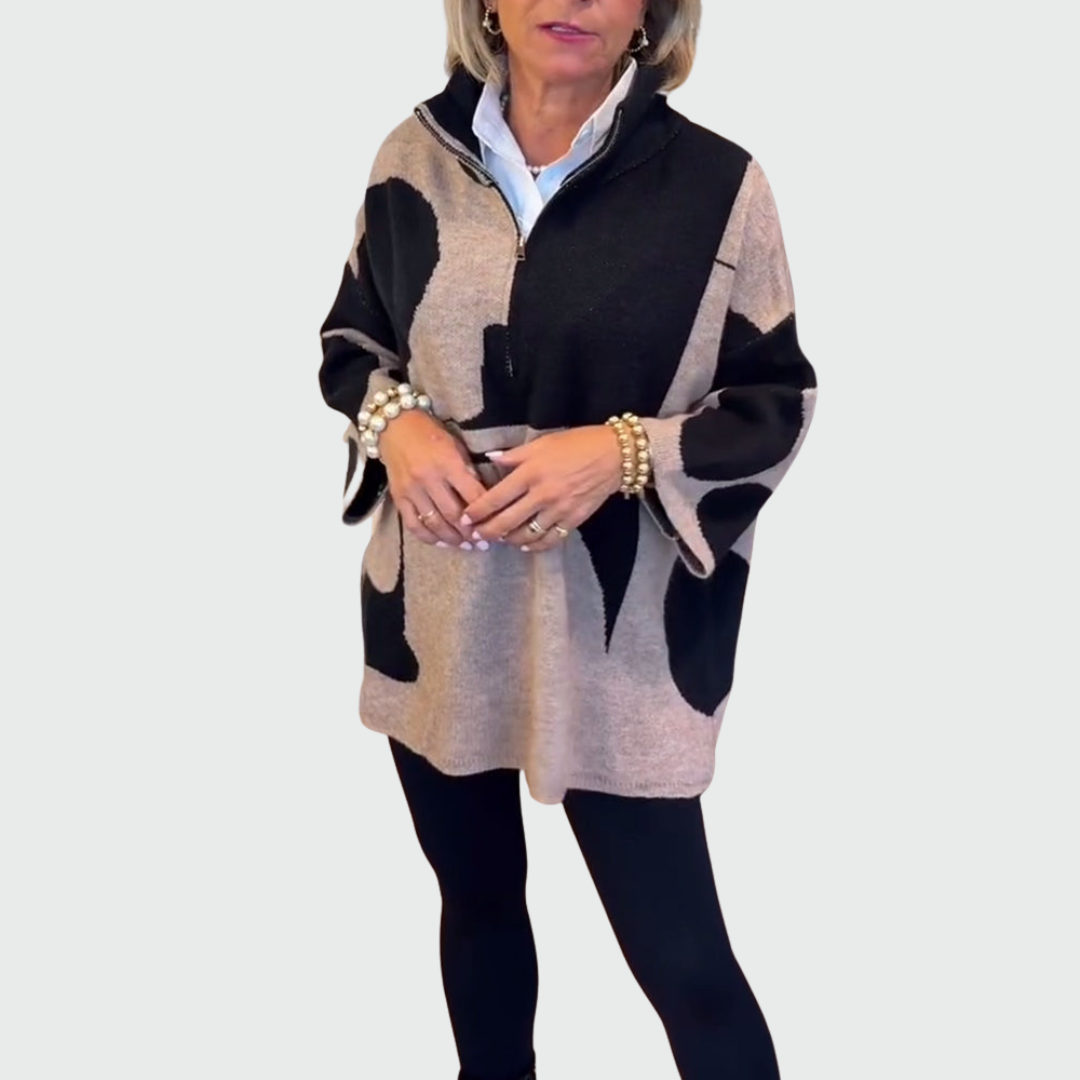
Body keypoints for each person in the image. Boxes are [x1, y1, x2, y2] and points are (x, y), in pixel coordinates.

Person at [317, 1, 818, 1077]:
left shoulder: (719, 187)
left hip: (621, 636)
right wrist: (396, 425)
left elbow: (775, 402)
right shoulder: (413, 154)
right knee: (478, 906)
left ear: (651, 12)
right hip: (442, 614)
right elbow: (352, 341)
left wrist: (622, 452)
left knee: (685, 964)